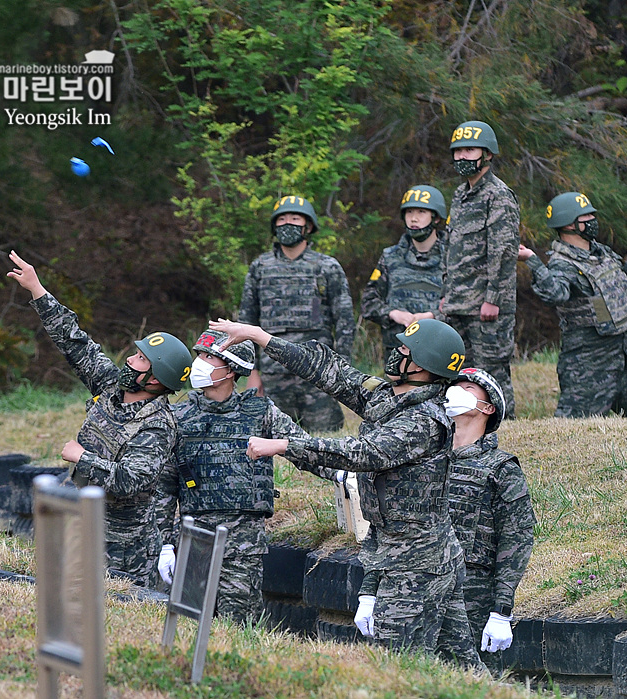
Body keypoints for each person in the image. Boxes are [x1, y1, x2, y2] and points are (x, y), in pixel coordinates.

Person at [209, 316, 486, 671]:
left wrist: (284, 444)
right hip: (412, 556)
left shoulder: (422, 419)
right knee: (462, 668)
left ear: (420, 366)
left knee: (399, 669)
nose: (394, 352)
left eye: (404, 349)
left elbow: (362, 454)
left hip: (418, 566)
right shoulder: (389, 398)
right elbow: (329, 369)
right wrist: (260, 337)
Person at [5, 250, 191, 587]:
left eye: (141, 359)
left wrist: (82, 458)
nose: (131, 361)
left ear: (156, 379)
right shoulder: (110, 387)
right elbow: (77, 345)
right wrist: (37, 290)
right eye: (135, 354)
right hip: (78, 521)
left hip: (120, 549)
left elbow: (130, 479)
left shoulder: (158, 425)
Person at [155, 328, 313, 624]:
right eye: (199, 355)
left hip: (243, 546)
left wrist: (345, 473)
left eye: (208, 357)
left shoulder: (261, 412)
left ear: (230, 370)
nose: (198, 362)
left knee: (238, 628)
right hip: (194, 541)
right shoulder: (178, 417)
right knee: (189, 626)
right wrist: (164, 544)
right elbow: (164, 487)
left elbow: (304, 448)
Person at [519, 192, 627, 418]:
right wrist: (533, 261)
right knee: (572, 431)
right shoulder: (562, 264)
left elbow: (625, 287)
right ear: (569, 224)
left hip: (620, 361)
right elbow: (555, 294)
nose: (592, 220)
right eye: (586, 216)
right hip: (587, 367)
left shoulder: (601, 252)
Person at [238, 195, 355, 432]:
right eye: (281, 219)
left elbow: (344, 322)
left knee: (327, 438)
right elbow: (247, 322)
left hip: (318, 372)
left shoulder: (327, 267)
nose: (287, 224)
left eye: (294, 218)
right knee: (270, 439)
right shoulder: (260, 267)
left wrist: (342, 371)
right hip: (272, 376)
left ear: (308, 226)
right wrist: (252, 372)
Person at [444, 367, 535, 665]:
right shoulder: (426, 459)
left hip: (474, 596)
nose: (456, 392)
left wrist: (501, 611)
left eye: (468, 388)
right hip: (421, 586)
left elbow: (517, 539)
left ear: (487, 407)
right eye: (455, 386)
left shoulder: (501, 468)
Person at [442, 120, 520, 413]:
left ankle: (504, 421)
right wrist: (445, 293)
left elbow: (503, 252)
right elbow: (451, 249)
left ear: (487, 154)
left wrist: (493, 299)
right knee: (459, 373)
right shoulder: (460, 195)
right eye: (458, 151)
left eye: (470, 150)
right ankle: (468, 423)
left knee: (492, 371)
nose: (462, 157)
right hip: (457, 303)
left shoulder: (498, 195)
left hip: (486, 306)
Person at [360, 185, 446, 367]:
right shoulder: (390, 257)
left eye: (421, 212)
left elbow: (466, 304)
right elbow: (368, 302)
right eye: (409, 212)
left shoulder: (455, 256)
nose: (414, 218)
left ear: (436, 217)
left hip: (440, 352)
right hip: (398, 354)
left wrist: (433, 316)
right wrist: (394, 314)